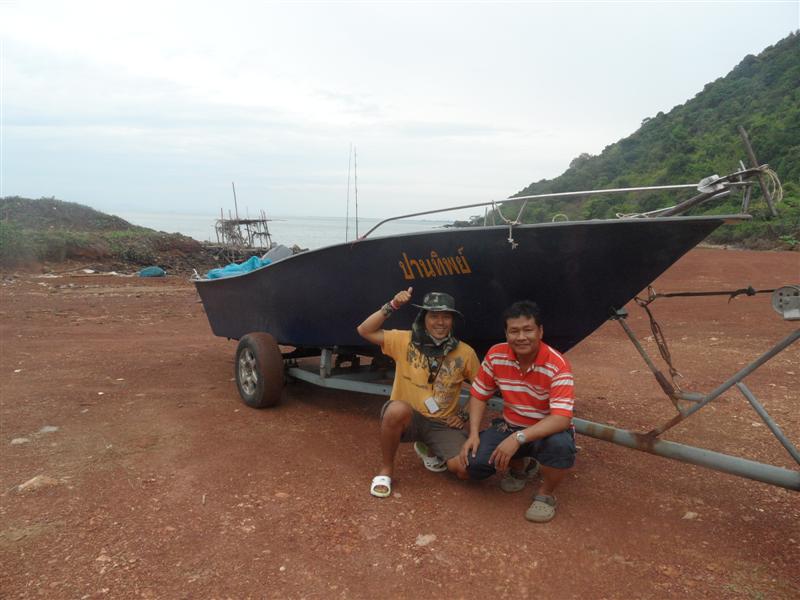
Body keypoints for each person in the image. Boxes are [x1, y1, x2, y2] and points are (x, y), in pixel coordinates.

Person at [357, 287, 480, 498]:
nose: (440, 322)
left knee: (465, 470)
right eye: (434, 316)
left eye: (446, 317)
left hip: (442, 423)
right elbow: (364, 331)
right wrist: (393, 305)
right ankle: (386, 470)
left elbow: (481, 388)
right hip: (410, 417)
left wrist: (463, 414)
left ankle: (428, 447)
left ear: (452, 321)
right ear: (424, 317)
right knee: (395, 410)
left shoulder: (465, 352)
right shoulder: (404, 340)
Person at [460, 300, 576, 522]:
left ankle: (546, 494)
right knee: (473, 466)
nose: (521, 337)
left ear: (540, 331)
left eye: (528, 329)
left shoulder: (558, 364)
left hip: (545, 430)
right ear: (506, 333)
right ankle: (520, 467)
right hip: (511, 425)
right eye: (514, 331)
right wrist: (473, 432)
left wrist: (518, 437)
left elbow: (561, 418)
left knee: (560, 445)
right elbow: (479, 394)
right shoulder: (496, 355)